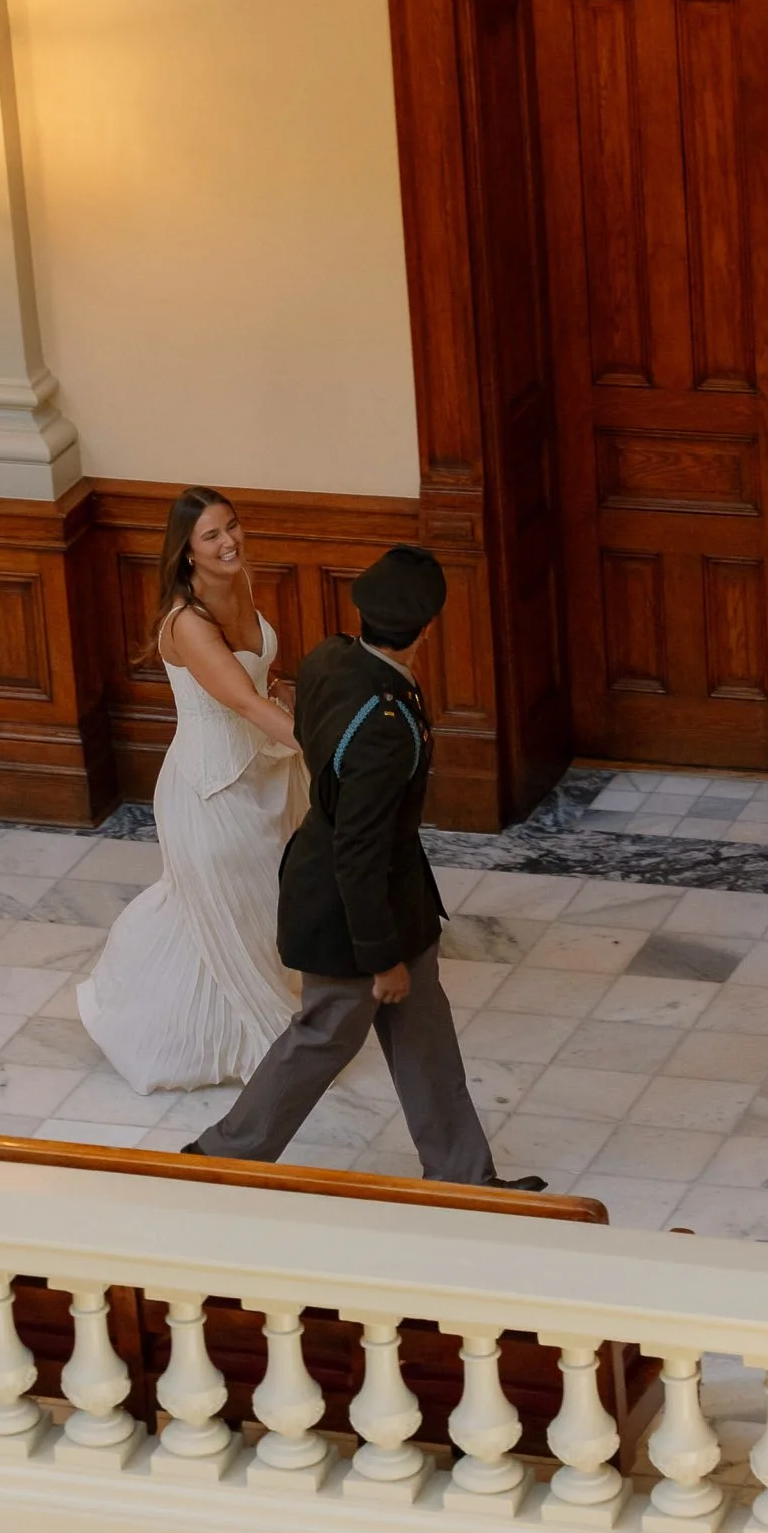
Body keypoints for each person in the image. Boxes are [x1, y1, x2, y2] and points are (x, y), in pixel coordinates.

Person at [184, 544, 545, 1189]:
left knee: (425, 1038)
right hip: (350, 909)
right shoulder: (385, 728)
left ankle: (464, 1177)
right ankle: (220, 1161)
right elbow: (359, 850)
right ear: (426, 631)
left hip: (389, 896)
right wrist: (381, 958)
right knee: (323, 1034)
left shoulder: (330, 657)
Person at [78, 488, 308, 1091]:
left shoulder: (240, 582)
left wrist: (293, 695)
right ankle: (179, 1031)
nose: (229, 541)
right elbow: (242, 701)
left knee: (262, 911)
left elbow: (263, 676)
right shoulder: (185, 624)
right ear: (186, 551)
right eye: (212, 535)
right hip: (214, 791)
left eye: (231, 527)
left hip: (267, 774)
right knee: (222, 911)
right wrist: (335, 750)